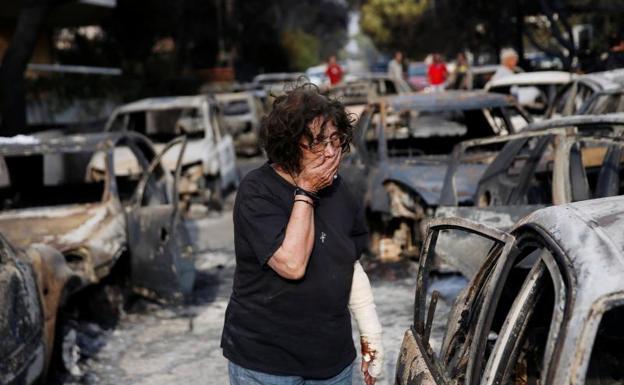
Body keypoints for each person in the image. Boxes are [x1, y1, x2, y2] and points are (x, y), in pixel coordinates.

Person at [221, 83, 384, 385]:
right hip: (267, 364)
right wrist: (306, 189)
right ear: (289, 144)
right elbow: (292, 265)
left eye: (336, 140)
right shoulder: (257, 191)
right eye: (318, 143)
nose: (332, 152)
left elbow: (348, 264)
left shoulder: (339, 191)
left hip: (332, 363)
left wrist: (371, 337)